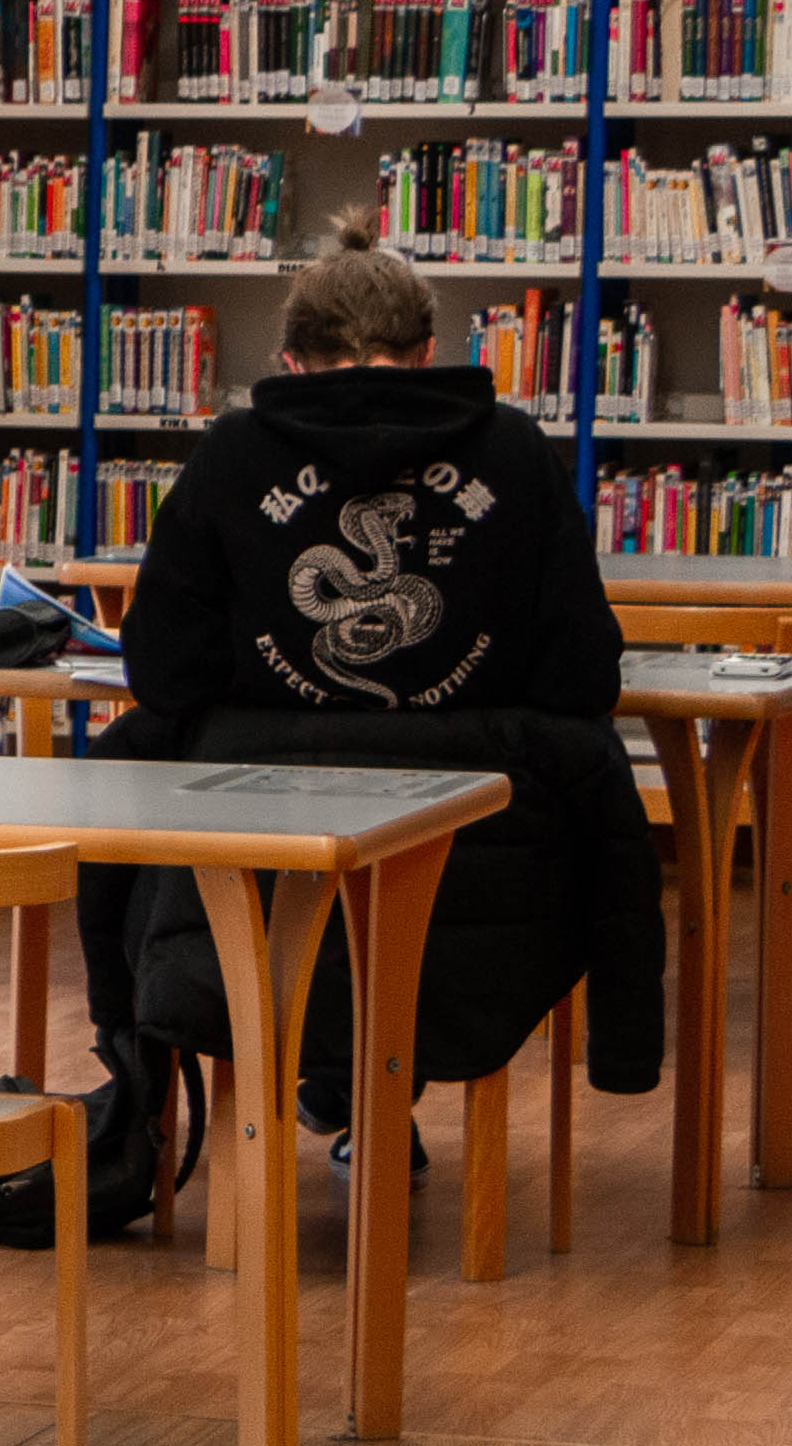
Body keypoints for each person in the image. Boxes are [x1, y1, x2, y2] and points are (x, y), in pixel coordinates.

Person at [82, 220, 661, 1175]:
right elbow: (580, 673)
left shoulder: (232, 453)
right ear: (432, 353)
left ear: (289, 358)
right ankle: (363, 1089)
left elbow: (166, 672)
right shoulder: (513, 451)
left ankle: (233, 1078)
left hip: (254, 836)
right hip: (488, 857)